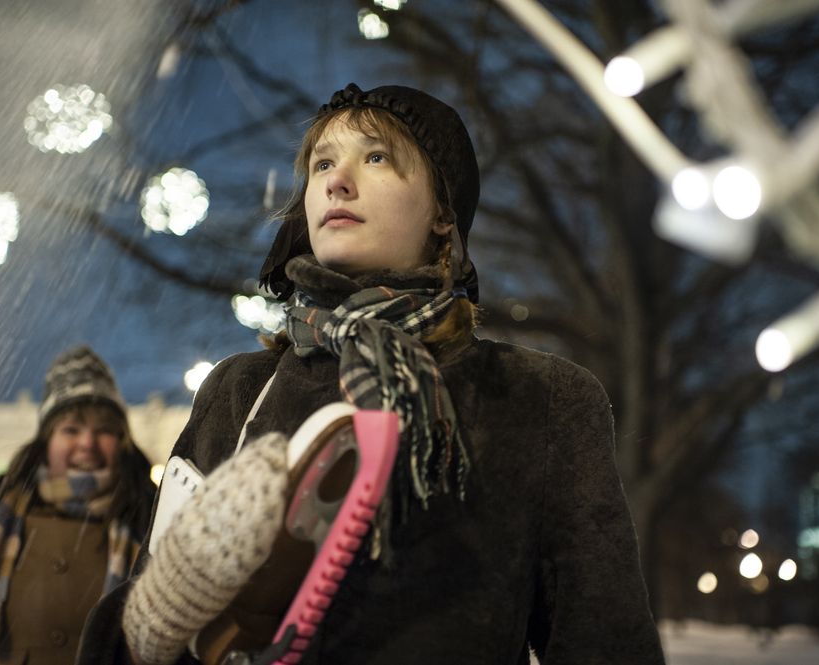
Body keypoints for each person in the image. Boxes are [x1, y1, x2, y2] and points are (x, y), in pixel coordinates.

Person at [79, 83, 665, 664]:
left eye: (377, 157)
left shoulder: (539, 398)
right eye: (322, 164)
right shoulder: (239, 390)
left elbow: (606, 645)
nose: (336, 181)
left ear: (443, 212)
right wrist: (160, 609)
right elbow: (127, 649)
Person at [0, 346, 155, 665]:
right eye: (71, 429)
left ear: (121, 441)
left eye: (103, 431)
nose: (87, 443)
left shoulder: (150, 522)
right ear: (47, 441)